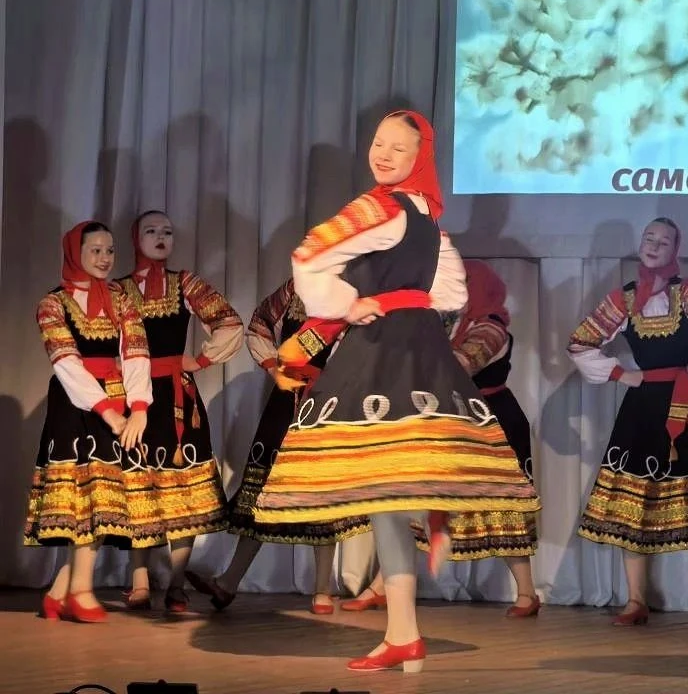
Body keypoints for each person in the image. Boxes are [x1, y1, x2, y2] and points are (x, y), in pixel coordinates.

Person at [251, 110, 539, 672]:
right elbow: (451, 293)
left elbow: (307, 255)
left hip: (381, 349)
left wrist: (351, 302)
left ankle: (412, 590)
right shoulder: (431, 221)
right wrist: (400, 299)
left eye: (398, 149)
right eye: (378, 144)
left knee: (384, 485)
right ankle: (403, 630)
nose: (383, 155)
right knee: (389, 496)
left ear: (418, 157)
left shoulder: (378, 207)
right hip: (423, 347)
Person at [567, 217, 688, 625]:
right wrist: (621, 374)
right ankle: (636, 598)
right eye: (649, 239)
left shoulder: (686, 293)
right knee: (634, 503)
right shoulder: (623, 299)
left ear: (675, 250)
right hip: (643, 408)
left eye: (664, 241)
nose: (654, 246)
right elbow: (579, 342)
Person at [346, 259, 540, 618]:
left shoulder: (490, 326)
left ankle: (527, 592)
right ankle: (381, 585)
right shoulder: (446, 322)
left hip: (490, 420)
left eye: (463, 283)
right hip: (450, 417)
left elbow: (459, 365)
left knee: (501, 506)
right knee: (415, 499)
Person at [185, 278, 370, 613]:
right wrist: (274, 368)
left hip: (328, 403)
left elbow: (364, 353)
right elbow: (259, 325)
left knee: (322, 495)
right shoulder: (294, 290)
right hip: (287, 399)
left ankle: (322, 590)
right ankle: (229, 582)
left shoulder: (352, 296)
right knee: (263, 491)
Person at [25, 221, 152, 623]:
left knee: (105, 497)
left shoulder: (120, 299)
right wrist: (108, 411)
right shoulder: (53, 303)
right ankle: (80, 591)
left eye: (110, 250)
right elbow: (66, 362)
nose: (104, 258)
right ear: (75, 253)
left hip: (115, 397)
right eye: (95, 250)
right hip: (74, 403)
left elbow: (136, 351)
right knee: (85, 498)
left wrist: (139, 407)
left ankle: (60, 592)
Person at [117, 211, 243, 612]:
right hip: (134, 396)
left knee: (185, 492)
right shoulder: (118, 291)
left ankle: (175, 583)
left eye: (167, 232)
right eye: (151, 231)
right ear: (136, 238)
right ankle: (139, 581)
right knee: (139, 485)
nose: (160, 237)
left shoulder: (184, 283)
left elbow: (229, 322)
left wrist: (200, 361)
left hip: (177, 399)